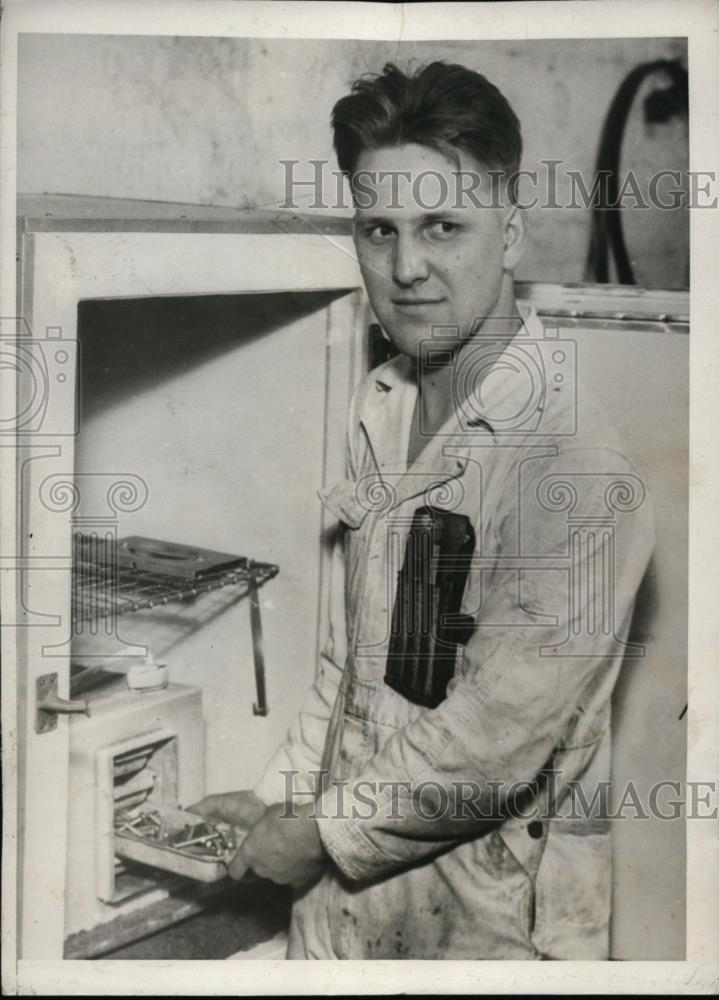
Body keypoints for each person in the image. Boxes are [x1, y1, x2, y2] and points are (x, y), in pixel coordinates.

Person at [193, 61, 654, 960]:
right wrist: (280, 796)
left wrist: (319, 832)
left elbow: (490, 744)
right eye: (379, 230)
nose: (407, 268)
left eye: (444, 226)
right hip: (345, 910)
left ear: (512, 233)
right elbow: (352, 657)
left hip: (487, 931)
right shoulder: (385, 404)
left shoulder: (574, 464)